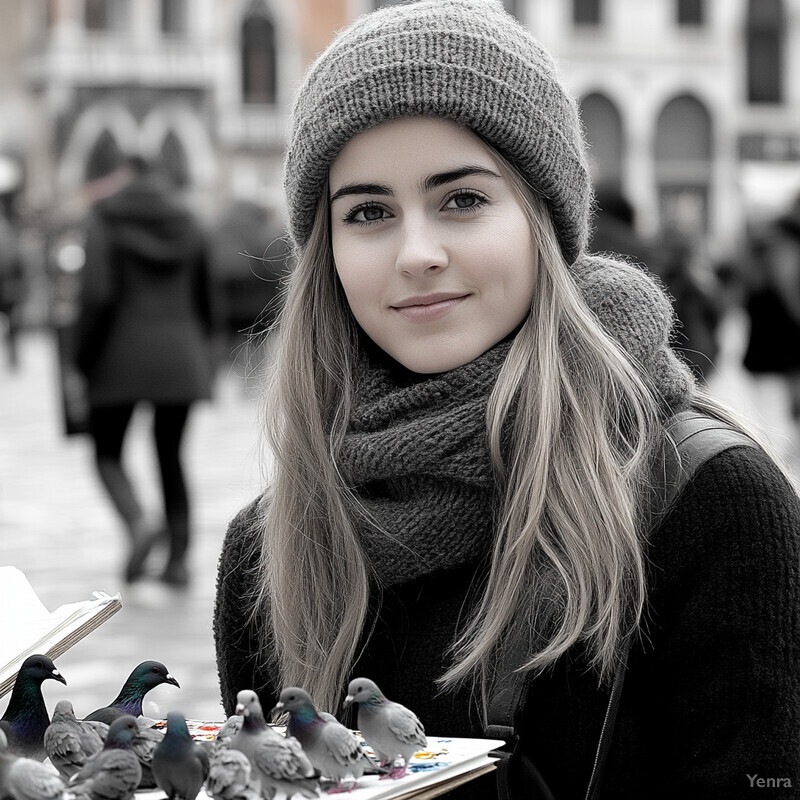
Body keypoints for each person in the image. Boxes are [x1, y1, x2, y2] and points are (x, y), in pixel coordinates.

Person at [213, 2, 800, 798]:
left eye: (462, 199)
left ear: (542, 221)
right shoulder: (269, 550)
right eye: (369, 213)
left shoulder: (707, 503)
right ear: (329, 252)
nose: (417, 253)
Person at [75, 155, 217, 587]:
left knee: (106, 453)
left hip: (117, 356)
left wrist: (80, 357)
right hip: (180, 356)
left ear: (125, 176)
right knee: (171, 456)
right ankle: (177, 560)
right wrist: (207, 359)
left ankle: (139, 522)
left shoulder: (104, 216)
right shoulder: (190, 220)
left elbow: (96, 293)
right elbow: (207, 297)